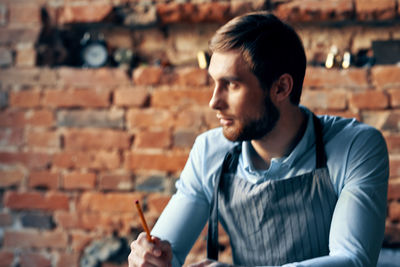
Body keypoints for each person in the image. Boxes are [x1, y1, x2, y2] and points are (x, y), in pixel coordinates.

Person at [128, 11, 389, 267]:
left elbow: (354, 260)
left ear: (281, 88)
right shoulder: (210, 151)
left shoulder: (356, 146)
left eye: (231, 84)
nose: (214, 102)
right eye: (214, 83)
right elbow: (167, 255)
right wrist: (151, 259)